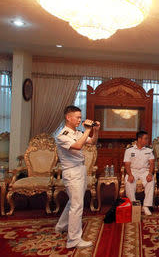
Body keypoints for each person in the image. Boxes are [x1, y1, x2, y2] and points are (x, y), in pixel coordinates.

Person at [54, 105, 99, 249]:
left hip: (80, 170)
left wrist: (95, 131)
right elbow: (78, 146)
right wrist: (87, 129)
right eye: (77, 117)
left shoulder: (76, 132)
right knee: (77, 206)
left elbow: (92, 142)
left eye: (80, 117)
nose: (80, 119)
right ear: (68, 117)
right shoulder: (63, 135)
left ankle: (61, 226)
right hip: (72, 172)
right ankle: (73, 240)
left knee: (73, 202)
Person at [123, 130, 155, 215]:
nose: (147, 140)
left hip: (145, 171)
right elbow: (127, 164)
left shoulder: (149, 149)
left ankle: (146, 206)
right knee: (128, 182)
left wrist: (150, 174)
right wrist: (130, 175)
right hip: (133, 171)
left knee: (151, 182)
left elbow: (152, 163)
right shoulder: (129, 150)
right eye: (146, 139)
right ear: (139, 139)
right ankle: (134, 205)